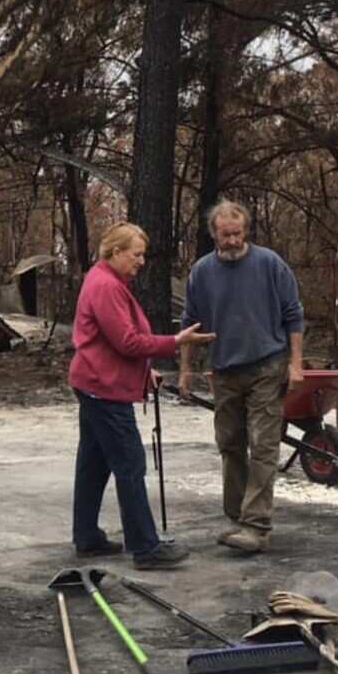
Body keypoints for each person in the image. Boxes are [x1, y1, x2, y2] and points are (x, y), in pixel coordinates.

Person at [69, 222, 215, 570]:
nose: (141, 261)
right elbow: (128, 342)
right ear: (115, 252)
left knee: (94, 463)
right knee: (130, 464)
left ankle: (87, 537)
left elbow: (112, 340)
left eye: (143, 255)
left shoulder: (105, 279)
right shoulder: (106, 286)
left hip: (95, 381)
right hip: (104, 388)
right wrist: (177, 341)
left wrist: (143, 370)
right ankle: (145, 548)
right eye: (136, 254)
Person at [178, 200, 304, 555]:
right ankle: (236, 517)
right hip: (225, 369)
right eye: (224, 235)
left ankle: (257, 524)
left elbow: (293, 315)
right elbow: (190, 323)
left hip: (267, 363)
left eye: (237, 233)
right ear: (213, 234)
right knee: (230, 443)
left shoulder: (269, 264)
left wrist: (296, 364)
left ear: (245, 231)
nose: (232, 241)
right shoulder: (201, 272)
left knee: (263, 443)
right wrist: (186, 370)